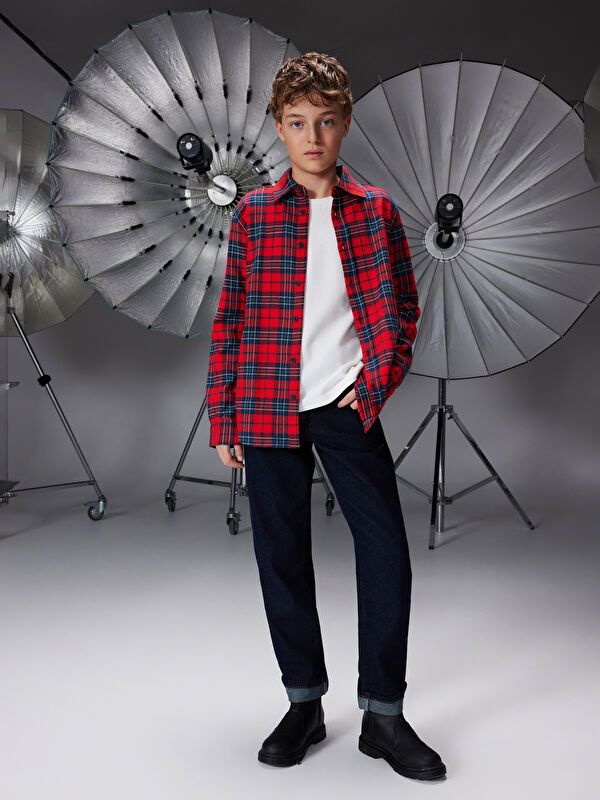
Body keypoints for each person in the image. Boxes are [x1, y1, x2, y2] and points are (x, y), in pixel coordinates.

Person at [205, 51, 446, 780]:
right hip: (267, 406)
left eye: (327, 122)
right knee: (280, 554)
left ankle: (384, 715)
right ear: (279, 127)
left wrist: (377, 382)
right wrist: (223, 416)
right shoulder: (254, 214)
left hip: (347, 405)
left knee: (386, 552)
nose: (313, 137)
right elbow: (231, 318)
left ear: (345, 125)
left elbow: (404, 308)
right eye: (298, 122)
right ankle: (303, 704)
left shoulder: (375, 211)